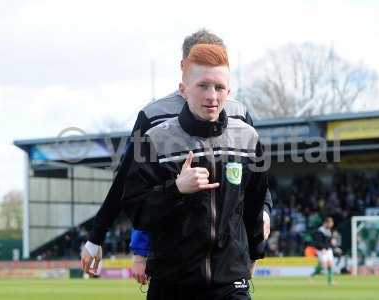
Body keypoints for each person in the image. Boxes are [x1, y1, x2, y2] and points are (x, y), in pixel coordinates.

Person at [80, 30, 273, 279]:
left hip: (226, 263)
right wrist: (97, 236)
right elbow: (126, 182)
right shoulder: (153, 116)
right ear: (184, 66)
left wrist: (264, 212)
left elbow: (254, 176)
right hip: (173, 255)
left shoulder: (238, 113)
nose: (211, 93)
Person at [122, 44, 270, 300]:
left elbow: (255, 206)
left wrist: (255, 254)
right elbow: (136, 211)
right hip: (171, 283)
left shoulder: (248, 139)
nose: (212, 96)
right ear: (183, 90)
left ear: (229, 91)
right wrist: (176, 189)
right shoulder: (154, 141)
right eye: (203, 86)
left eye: (219, 87)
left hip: (229, 282)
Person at [310, 217, 335, 285]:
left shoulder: (329, 231)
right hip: (321, 250)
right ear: (326, 223)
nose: (331, 225)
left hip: (328, 249)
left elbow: (329, 241)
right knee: (324, 266)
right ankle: (311, 277)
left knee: (331, 264)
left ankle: (330, 281)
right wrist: (322, 248)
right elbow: (317, 242)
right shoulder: (319, 231)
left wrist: (332, 243)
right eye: (330, 223)